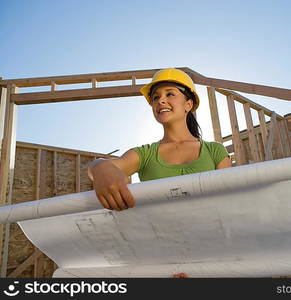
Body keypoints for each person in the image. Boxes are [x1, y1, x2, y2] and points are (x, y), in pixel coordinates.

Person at [87, 67, 232, 211]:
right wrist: (101, 167)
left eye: (170, 94)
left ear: (188, 104)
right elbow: (102, 168)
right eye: (156, 97)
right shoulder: (145, 154)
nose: (160, 100)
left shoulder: (215, 151)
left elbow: (229, 202)